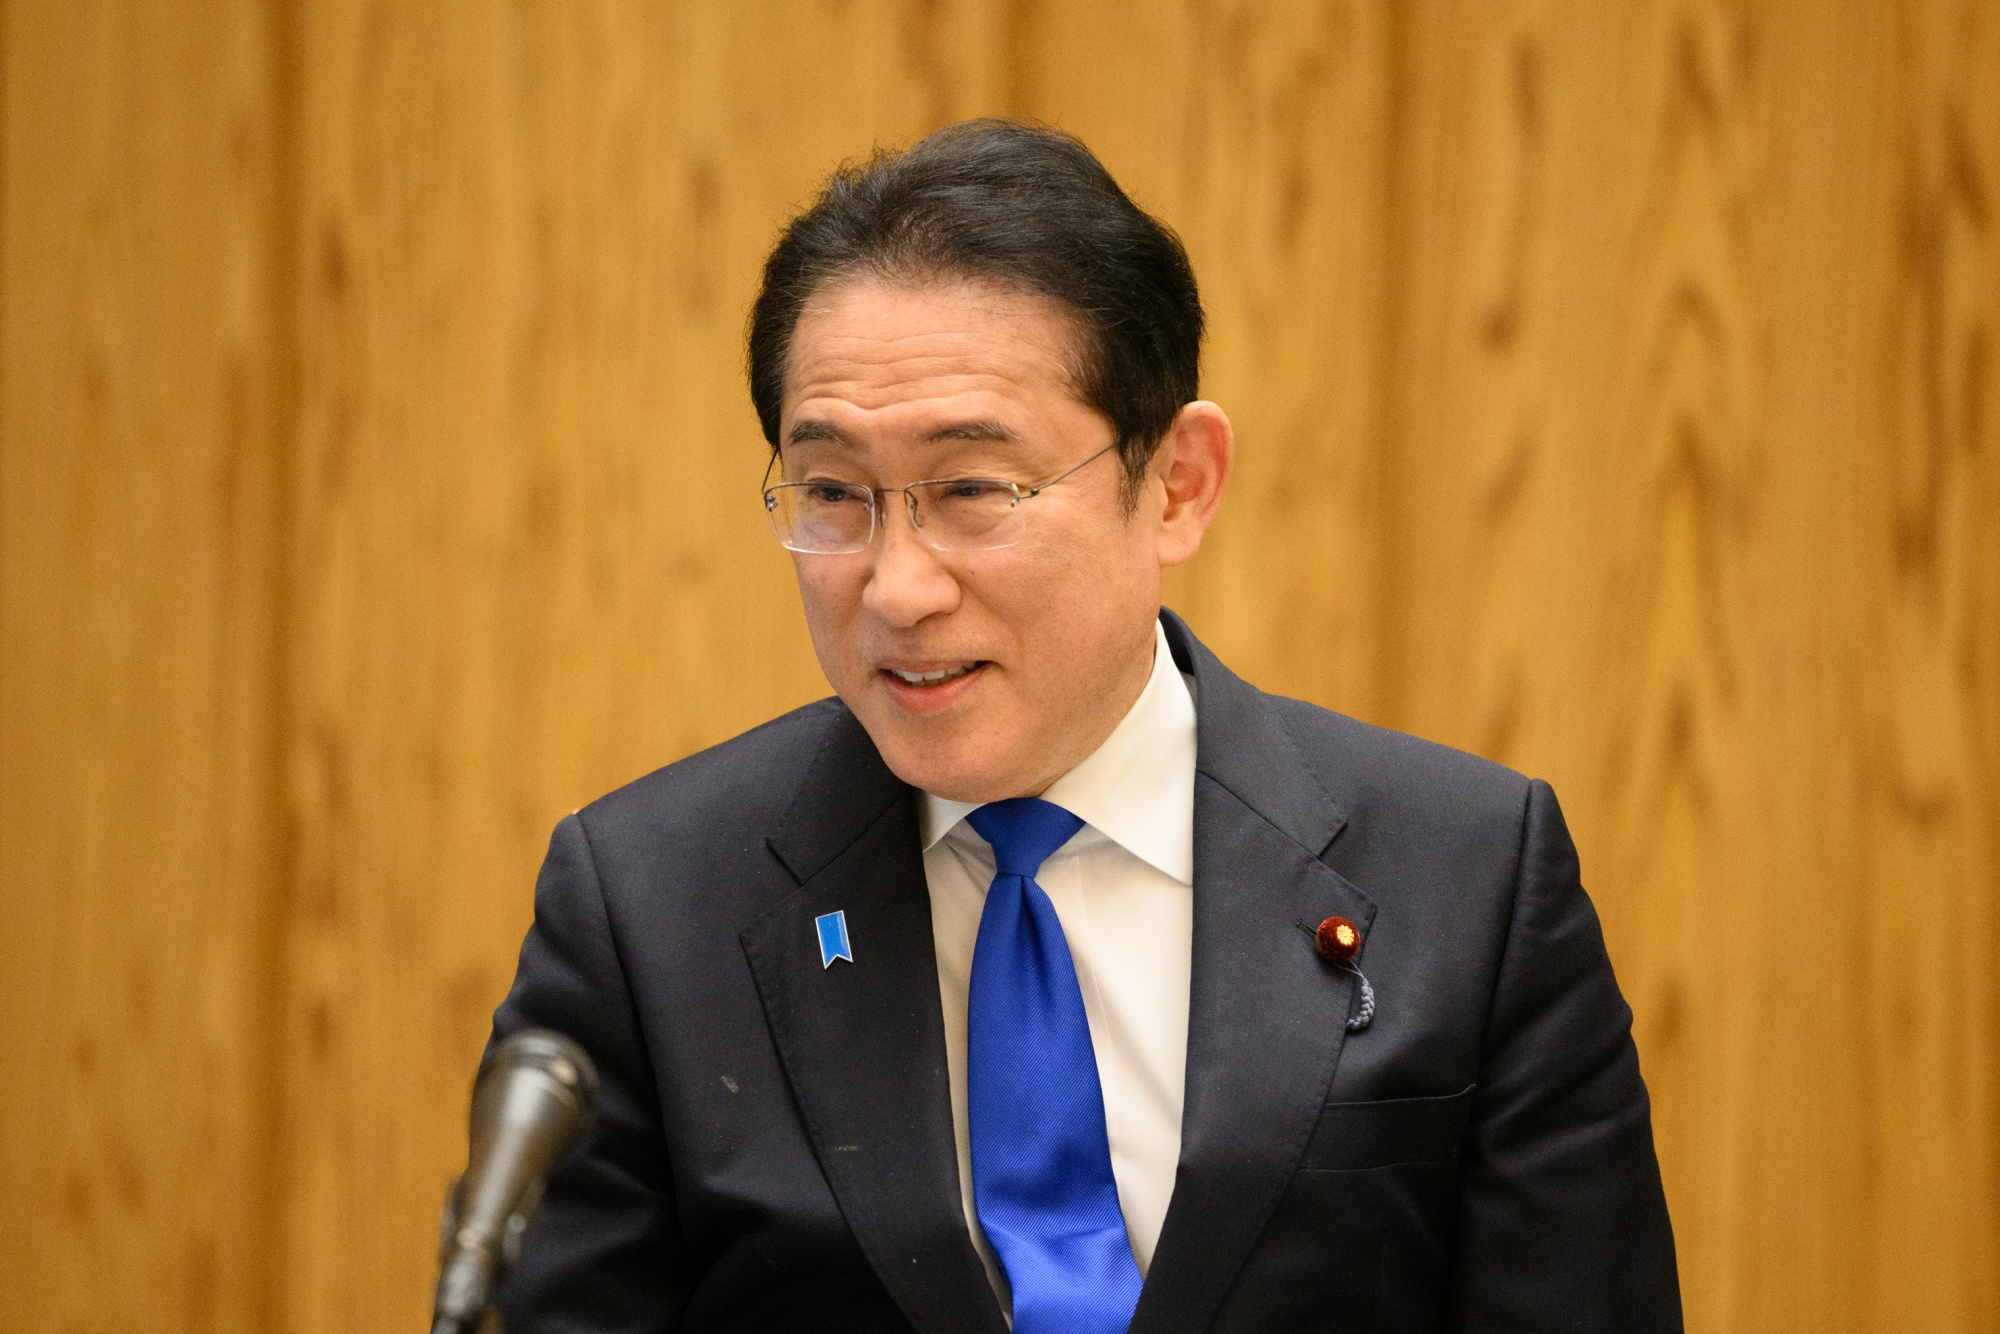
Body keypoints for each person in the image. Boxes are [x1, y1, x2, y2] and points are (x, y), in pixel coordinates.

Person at [487, 118, 1681, 1333]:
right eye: (834, 493)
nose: (896, 588)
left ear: (1175, 484)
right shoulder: (649, 907)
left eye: (971, 488)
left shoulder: (1467, 880)